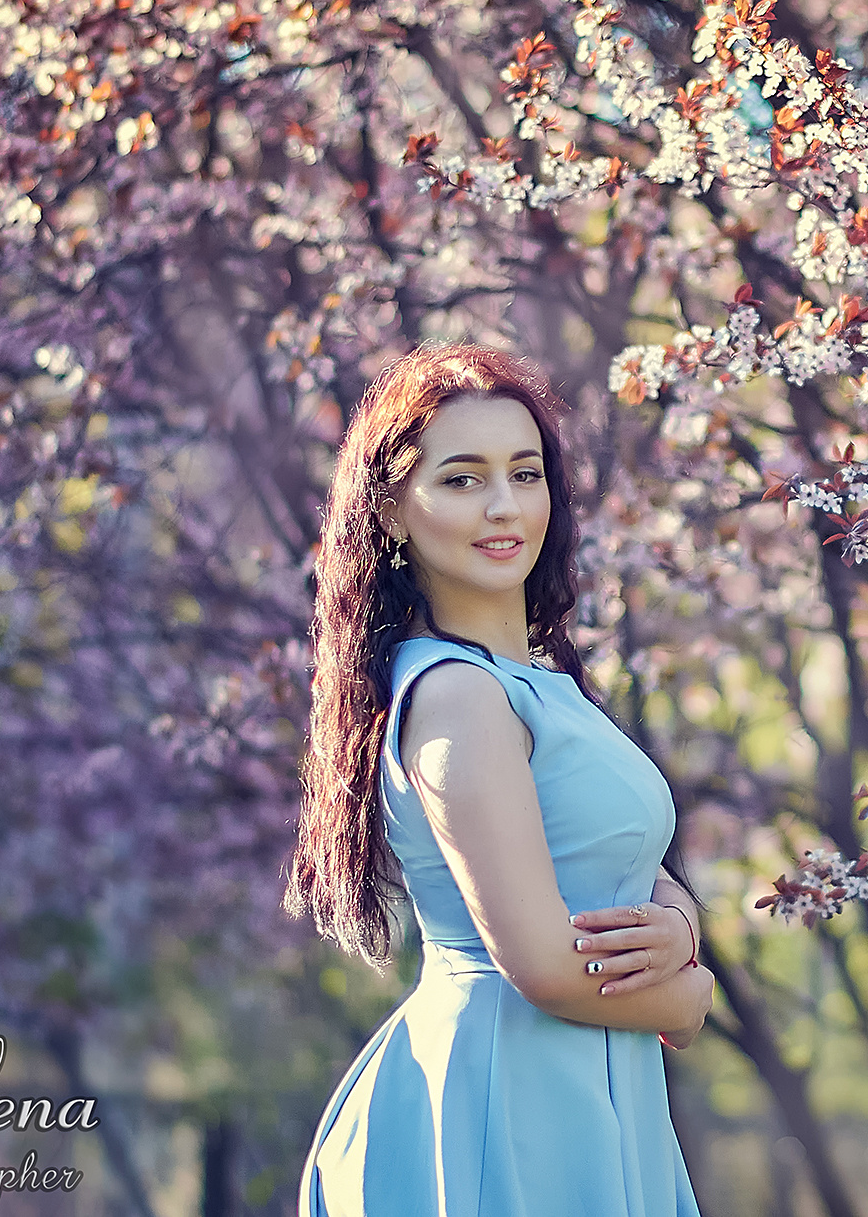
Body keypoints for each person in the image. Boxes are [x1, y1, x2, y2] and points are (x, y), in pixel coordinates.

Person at [284, 342, 711, 1216]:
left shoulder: (543, 687)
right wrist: (692, 993)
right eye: (462, 479)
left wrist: (678, 920)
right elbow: (546, 968)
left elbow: (623, 859)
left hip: (590, 1087)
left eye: (524, 472)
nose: (504, 506)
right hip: (505, 1093)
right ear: (394, 511)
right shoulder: (455, 697)